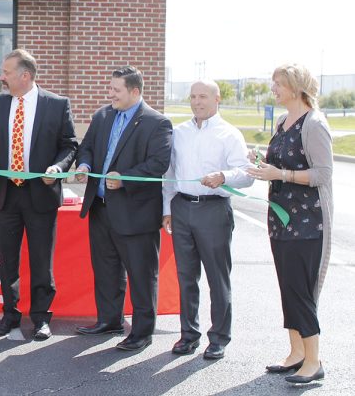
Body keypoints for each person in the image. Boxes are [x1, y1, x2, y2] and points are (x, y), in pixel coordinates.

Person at [0, 49, 78, 340]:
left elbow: (69, 145)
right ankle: (9, 315)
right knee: (7, 260)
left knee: (41, 261)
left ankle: (41, 318)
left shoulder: (56, 105)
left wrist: (58, 168)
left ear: (25, 75)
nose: (1, 77)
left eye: (6, 72)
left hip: (41, 194)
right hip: (6, 195)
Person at [74, 66, 172, 352]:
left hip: (135, 212)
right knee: (106, 269)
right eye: (110, 88)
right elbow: (87, 148)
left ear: (135, 91)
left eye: (116, 90)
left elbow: (158, 164)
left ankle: (142, 332)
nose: (110, 94)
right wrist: (85, 165)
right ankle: (109, 320)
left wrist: (124, 179)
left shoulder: (157, 123)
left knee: (141, 274)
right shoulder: (103, 116)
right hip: (101, 207)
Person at [247, 64, 333, 385]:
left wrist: (279, 174)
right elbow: (280, 164)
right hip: (281, 219)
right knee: (288, 287)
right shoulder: (283, 122)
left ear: (296, 88)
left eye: (278, 84)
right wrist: (263, 164)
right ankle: (296, 353)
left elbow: (322, 174)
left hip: (309, 222)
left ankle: (313, 361)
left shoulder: (315, 124)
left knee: (301, 290)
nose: (274, 89)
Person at [162, 80, 253, 359]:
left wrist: (223, 177)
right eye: (192, 97)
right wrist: (167, 209)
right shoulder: (179, 133)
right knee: (186, 277)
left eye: (203, 96)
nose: (197, 102)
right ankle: (188, 335)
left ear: (217, 99)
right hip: (182, 208)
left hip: (214, 210)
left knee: (217, 276)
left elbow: (247, 174)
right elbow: (169, 174)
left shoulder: (230, 134)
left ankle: (219, 338)